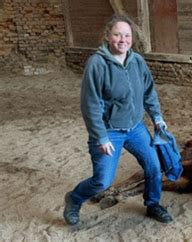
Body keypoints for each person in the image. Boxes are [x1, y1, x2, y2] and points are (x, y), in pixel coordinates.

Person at [63, 15, 172, 225]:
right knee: (102, 181)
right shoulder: (97, 64)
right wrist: (101, 137)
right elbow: (90, 104)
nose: (123, 39)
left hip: (136, 128)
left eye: (127, 35)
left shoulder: (137, 61)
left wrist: (157, 117)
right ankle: (74, 198)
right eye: (117, 34)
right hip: (109, 131)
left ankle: (153, 204)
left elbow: (149, 91)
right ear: (107, 36)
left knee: (153, 166)